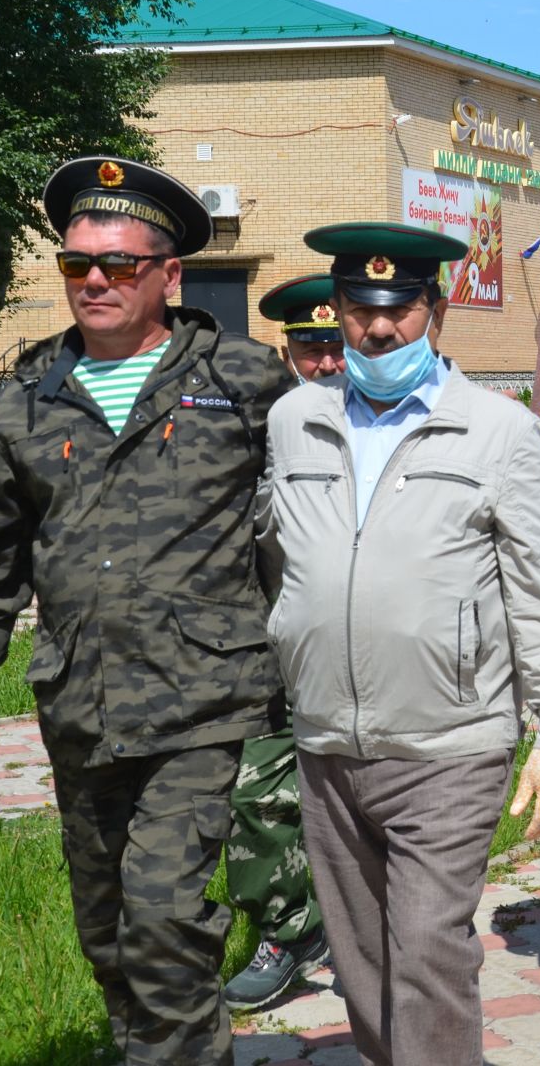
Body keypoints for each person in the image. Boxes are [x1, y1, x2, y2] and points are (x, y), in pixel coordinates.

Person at [0, 157, 289, 1064]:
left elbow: (317, 525)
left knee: (166, 931)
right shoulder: (29, 398)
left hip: (204, 703)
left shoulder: (244, 382)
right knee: (112, 939)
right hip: (82, 705)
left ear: (169, 274)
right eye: (77, 265)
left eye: (117, 264)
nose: (94, 282)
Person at [256, 222, 540, 1066]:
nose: (379, 330)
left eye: (401, 310)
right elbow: (269, 558)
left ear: (433, 312)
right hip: (327, 740)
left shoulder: (498, 431)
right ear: (336, 312)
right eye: (361, 311)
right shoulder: (293, 421)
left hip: (450, 744)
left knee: (428, 949)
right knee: (362, 960)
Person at [221, 276, 345, 1013]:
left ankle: (371, 927)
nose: (326, 363)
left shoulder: (394, 421)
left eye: (335, 346)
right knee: (263, 798)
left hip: (376, 655)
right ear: (287, 351)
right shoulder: (252, 427)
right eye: (310, 347)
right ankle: (287, 932)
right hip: (274, 647)